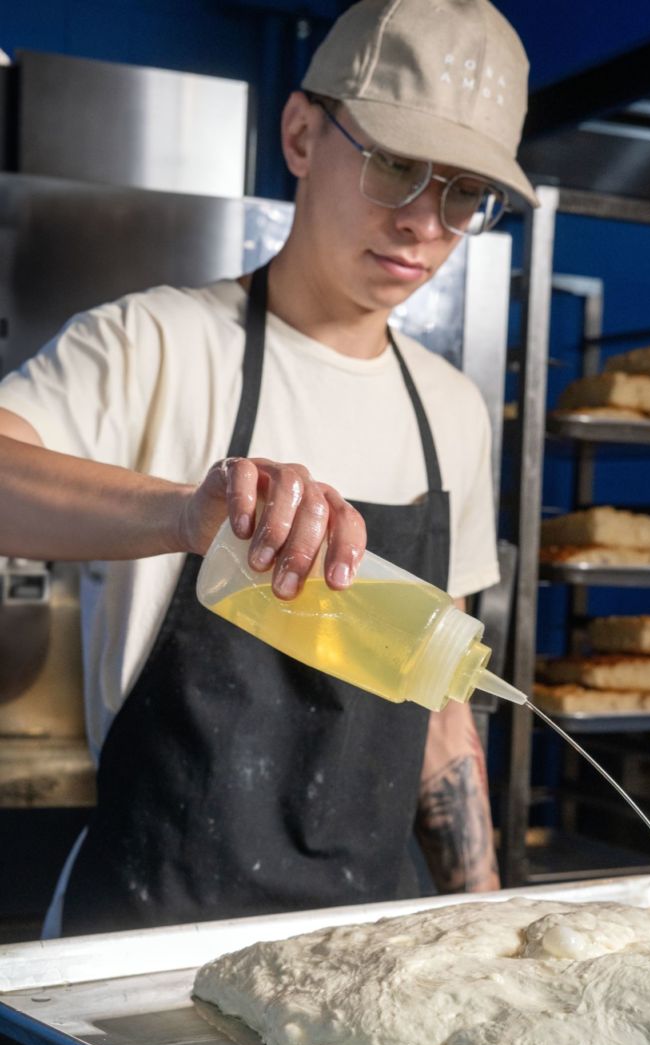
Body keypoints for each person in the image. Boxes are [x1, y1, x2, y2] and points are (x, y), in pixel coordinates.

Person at [0, 0, 538, 941]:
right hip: (147, 932)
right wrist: (182, 516)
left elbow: (440, 716)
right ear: (300, 133)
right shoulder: (157, 344)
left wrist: (482, 927)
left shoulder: (451, 408)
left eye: (461, 194)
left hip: (369, 942)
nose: (422, 223)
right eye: (395, 166)